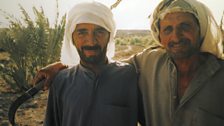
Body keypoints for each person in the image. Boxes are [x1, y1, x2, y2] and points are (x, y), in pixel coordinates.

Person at [35, 0, 224, 126]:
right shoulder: (147, 63)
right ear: (160, 35)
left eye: (185, 26)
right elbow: (98, 65)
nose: (176, 36)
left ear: (201, 29)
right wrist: (62, 66)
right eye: (168, 29)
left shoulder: (220, 76)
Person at [43, 1, 144, 126]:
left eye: (99, 31)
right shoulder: (61, 81)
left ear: (110, 36)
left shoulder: (128, 75)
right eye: (82, 32)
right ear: (72, 38)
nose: (91, 41)